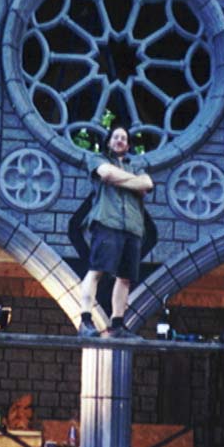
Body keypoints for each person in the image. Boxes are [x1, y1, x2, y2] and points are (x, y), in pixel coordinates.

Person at [78, 123, 154, 338]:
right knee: (97, 271)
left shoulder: (137, 166)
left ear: (128, 145)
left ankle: (117, 324)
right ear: (109, 141)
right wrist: (134, 183)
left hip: (133, 227)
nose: (120, 140)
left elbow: (147, 183)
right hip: (107, 222)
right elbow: (106, 173)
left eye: (124, 138)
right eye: (116, 137)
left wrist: (120, 178)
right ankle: (85, 321)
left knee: (125, 278)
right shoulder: (98, 159)